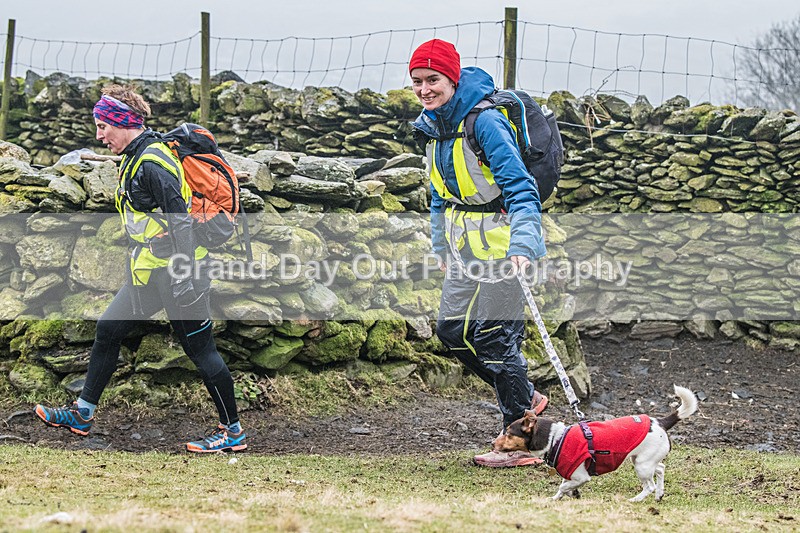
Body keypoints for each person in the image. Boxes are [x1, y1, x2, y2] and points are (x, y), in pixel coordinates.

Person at [34, 84, 246, 453]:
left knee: (201, 352)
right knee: (108, 329)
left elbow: (180, 221)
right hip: (148, 273)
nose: (100, 136)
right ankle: (82, 414)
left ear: (122, 122)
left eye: (103, 126)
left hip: (181, 274)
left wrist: (182, 273)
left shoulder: (152, 162)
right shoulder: (134, 157)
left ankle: (233, 432)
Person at [409, 39, 548, 467]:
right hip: (463, 250)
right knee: (451, 332)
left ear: (452, 78)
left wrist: (525, 245)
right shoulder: (432, 127)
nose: (424, 89)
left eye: (433, 80)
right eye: (417, 81)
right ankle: (524, 394)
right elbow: (438, 194)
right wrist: (439, 245)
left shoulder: (485, 123)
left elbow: (522, 189)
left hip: (505, 250)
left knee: (493, 338)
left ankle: (520, 445)